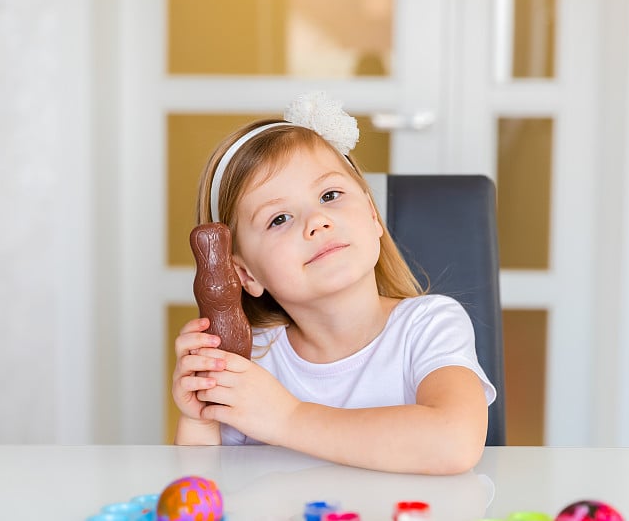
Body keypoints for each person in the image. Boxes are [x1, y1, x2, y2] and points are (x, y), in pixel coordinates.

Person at [172, 91, 496, 475]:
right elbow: (207, 488)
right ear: (245, 275)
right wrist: (200, 420)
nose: (317, 221)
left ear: (373, 217)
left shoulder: (428, 326)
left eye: (330, 195)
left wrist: (288, 418)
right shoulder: (252, 360)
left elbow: (453, 443)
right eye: (279, 219)